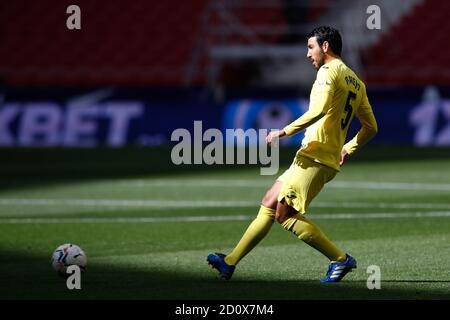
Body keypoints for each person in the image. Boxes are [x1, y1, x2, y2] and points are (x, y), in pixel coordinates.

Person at [207, 26, 378, 282]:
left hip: (315, 158)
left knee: (285, 215)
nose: (308, 54)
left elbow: (318, 111)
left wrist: (282, 132)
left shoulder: (327, 73)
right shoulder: (356, 81)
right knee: (269, 202)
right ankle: (229, 263)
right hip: (319, 156)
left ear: (325, 47)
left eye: (310, 47)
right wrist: (348, 148)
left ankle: (340, 259)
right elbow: (371, 127)